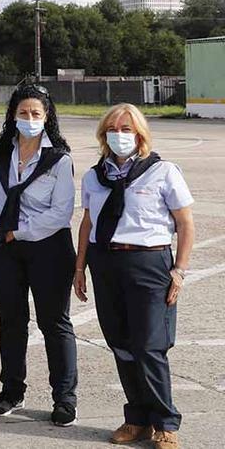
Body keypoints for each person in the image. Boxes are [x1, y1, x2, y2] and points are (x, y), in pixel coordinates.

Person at [74, 104, 194, 449]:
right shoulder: (94, 176)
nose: (119, 134)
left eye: (127, 129)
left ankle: (165, 423)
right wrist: (80, 267)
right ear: (103, 134)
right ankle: (137, 418)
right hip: (106, 263)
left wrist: (179, 271)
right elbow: (88, 223)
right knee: (121, 344)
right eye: (113, 128)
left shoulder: (162, 171)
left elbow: (185, 224)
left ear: (140, 134)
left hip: (148, 263)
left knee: (149, 346)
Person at [0, 84, 78, 426]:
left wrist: (17, 231)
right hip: (4, 249)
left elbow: (60, 214)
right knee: (11, 321)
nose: (29, 119)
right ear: (13, 116)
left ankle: (64, 397)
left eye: (36, 114)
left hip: (48, 248)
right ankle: (11, 391)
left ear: (47, 118)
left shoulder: (59, 160)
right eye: (23, 113)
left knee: (54, 323)